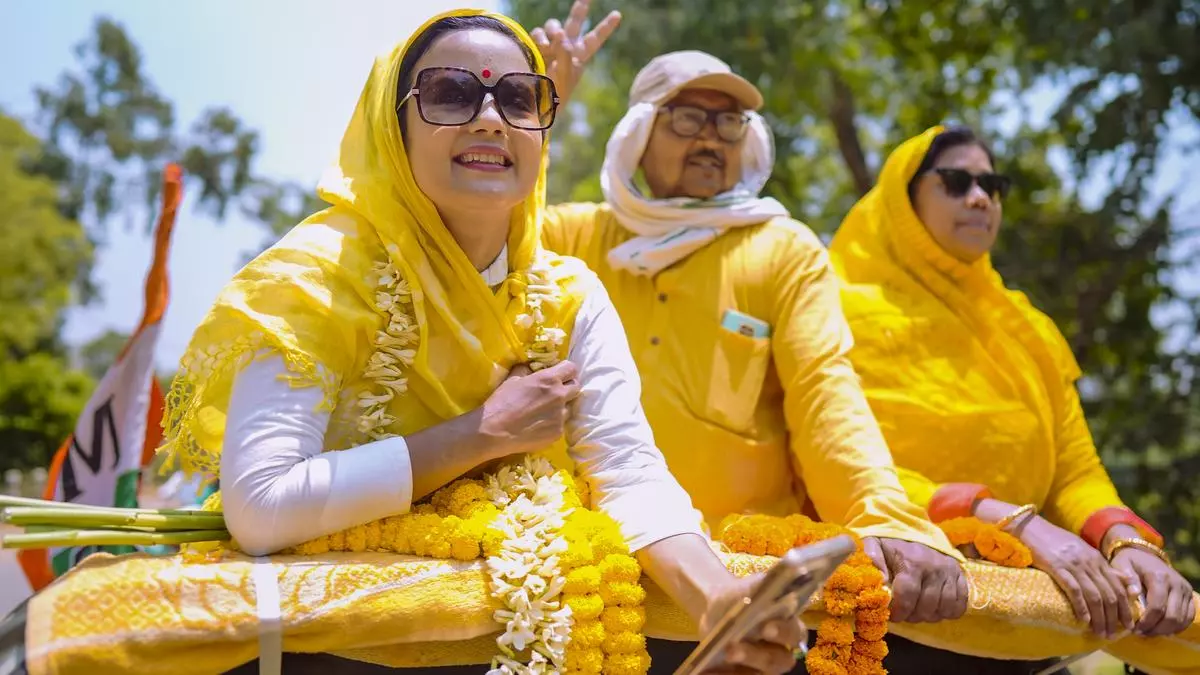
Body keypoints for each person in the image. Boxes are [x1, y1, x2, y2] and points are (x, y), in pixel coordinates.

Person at [157, 9, 805, 675]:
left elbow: (629, 472)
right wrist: (480, 434)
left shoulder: (568, 293)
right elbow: (260, 505)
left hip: (524, 635)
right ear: (393, 125)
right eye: (451, 93)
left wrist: (718, 598)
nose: (490, 118)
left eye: (519, 97)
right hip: (329, 653)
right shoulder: (314, 279)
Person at [528, 3, 969, 668]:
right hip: (592, 585)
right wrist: (538, 108)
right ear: (637, 135)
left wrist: (886, 517)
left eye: (729, 121)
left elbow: (828, 392)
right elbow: (487, 242)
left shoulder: (780, 246)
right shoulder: (575, 238)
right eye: (687, 117)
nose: (712, 137)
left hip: (743, 588)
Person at [828, 124, 1197, 672]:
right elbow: (834, 462)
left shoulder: (1024, 326)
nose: (980, 197)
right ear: (904, 202)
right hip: (896, 613)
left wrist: (1127, 543)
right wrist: (1013, 522)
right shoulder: (833, 308)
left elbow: (1074, 469)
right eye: (956, 181)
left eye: (992, 184)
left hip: (1029, 623)